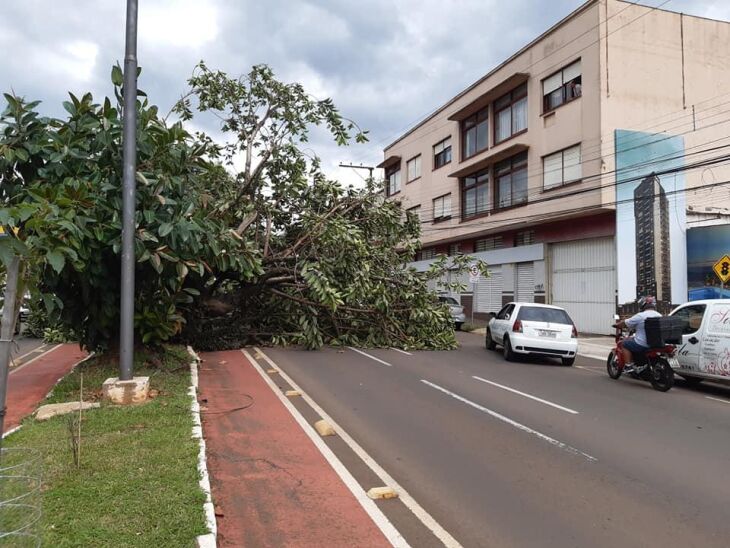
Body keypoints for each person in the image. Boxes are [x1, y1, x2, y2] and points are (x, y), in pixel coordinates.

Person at [615, 296, 661, 368]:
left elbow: (625, 323)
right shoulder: (659, 315)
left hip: (643, 344)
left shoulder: (640, 316)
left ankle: (628, 365)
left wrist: (617, 325)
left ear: (643, 305)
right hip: (656, 344)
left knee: (624, 344)